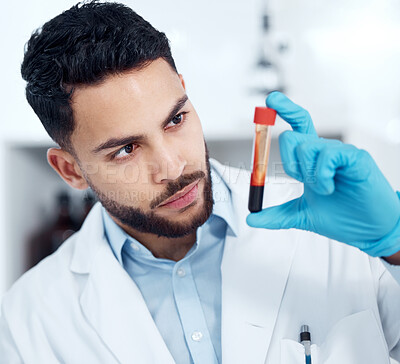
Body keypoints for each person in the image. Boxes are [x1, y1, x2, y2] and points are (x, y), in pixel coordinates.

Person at [0, 2, 399, 363]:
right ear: (70, 170)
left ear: (186, 94)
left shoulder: (337, 233)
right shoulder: (30, 321)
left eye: (175, 120)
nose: (173, 167)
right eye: (125, 149)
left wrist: (395, 245)